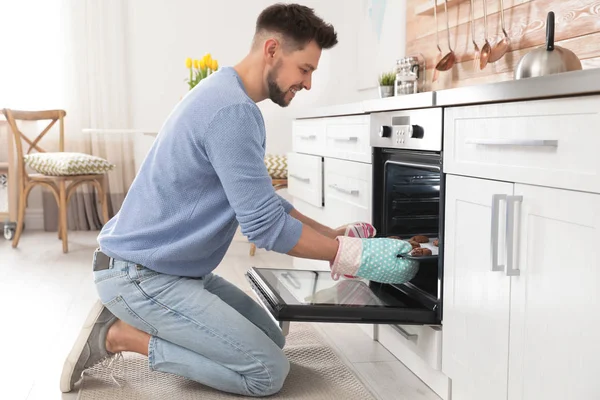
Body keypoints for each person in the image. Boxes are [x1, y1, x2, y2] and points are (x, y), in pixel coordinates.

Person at [60, 3, 417, 397]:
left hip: (174, 272)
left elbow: (262, 203)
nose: (309, 84)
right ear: (271, 50)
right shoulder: (232, 111)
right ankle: (119, 336)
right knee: (266, 372)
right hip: (141, 275)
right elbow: (265, 228)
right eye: (305, 69)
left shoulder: (229, 96)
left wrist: (328, 233)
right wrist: (351, 255)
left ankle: (142, 319)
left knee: (271, 338)